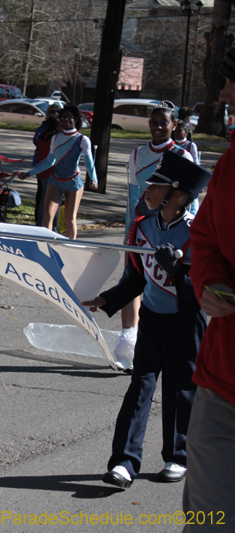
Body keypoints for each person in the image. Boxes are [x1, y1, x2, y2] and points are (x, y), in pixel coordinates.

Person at [81, 151, 211, 490]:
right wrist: (106, 299)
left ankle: (178, 456)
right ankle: (124, 462)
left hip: (186, 320)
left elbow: (199, 293)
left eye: (156, 185)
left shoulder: (197, 234)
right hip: (152, 318)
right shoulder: (142, 227)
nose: (148, 190)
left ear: (178, 195)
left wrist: (176, 271)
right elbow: (136, 279)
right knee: (140, 385)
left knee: (181, 390)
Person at [181, 61, 235, 528]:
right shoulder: (233, 162)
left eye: (230, 83)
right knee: (210, 521)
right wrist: (209, 281)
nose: (222, 95)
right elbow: (205, 238)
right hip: (223, 385)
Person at [114, 102, 194, 371]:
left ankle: (168, 339)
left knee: (163, 281)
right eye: (154, 121)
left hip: (170, 230)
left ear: (174, 125)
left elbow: (188, 202)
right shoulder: (137, 154)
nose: (158, 127)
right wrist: (130, 231)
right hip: (140, 226)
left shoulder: (183, 154)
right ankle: (128, 341)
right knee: (132, 277)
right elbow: (133, 196)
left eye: (164, 122)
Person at [18, 104, 97, 239]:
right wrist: (30, 173)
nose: (66, 120)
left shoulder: (82, 139)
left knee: (69, 219)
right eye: (63, 118)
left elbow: (89, 162)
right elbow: (50, 161)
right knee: (47, 216)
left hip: (73, 182)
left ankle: (71, 248)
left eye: (69, 118)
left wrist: (94, 179)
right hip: (55, 180)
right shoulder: (55, 138)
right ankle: (45, 246)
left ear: (76, 119)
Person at [27, 103, 61, 226]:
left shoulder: (60, 133)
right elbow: (37, 141)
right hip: (44, 168)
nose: (54, 114)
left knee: (48, 199)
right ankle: (46, 224)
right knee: (46, 197)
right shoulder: (44, 131)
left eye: (57, 111)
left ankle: (46, 224)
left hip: (51, 170)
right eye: (52, 111)